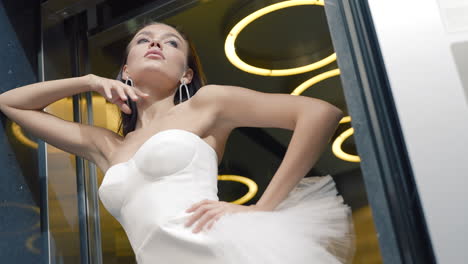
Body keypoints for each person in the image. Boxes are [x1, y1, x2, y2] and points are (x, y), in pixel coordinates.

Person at [0, 20, 356, 263]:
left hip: (217, 249)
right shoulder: (107, 146)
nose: (155, 43)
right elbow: (10, 102)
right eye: (143, 39)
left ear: (187, 73)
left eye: (171, 43)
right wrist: (90, 80)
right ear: (124, 69)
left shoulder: (207, 104)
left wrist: (263, 207)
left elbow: (318, 113)